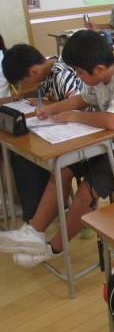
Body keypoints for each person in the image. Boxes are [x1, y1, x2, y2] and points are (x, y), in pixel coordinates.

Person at [0, 30, 114, 267]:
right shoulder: (99, 76)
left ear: (97, 69)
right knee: (63, 169)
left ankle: (53, 248)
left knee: (87, 190)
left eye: (79, 73)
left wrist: (74, 116)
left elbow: (111, 121)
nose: (77, 76)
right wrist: (53, 109)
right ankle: (33, 232)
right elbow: (83, 99)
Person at [1, 43, 86, 221]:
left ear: (33, 72)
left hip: (80, 134)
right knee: (24, 152)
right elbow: (45, 90)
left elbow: (77, 105)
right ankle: (43, 211)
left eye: (23, 81)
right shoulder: (47, 69)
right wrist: (25, 95)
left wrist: (48, 105)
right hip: (62, 129)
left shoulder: (62, 74)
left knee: (32, 157)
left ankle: (42, 213)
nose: (23, 85)